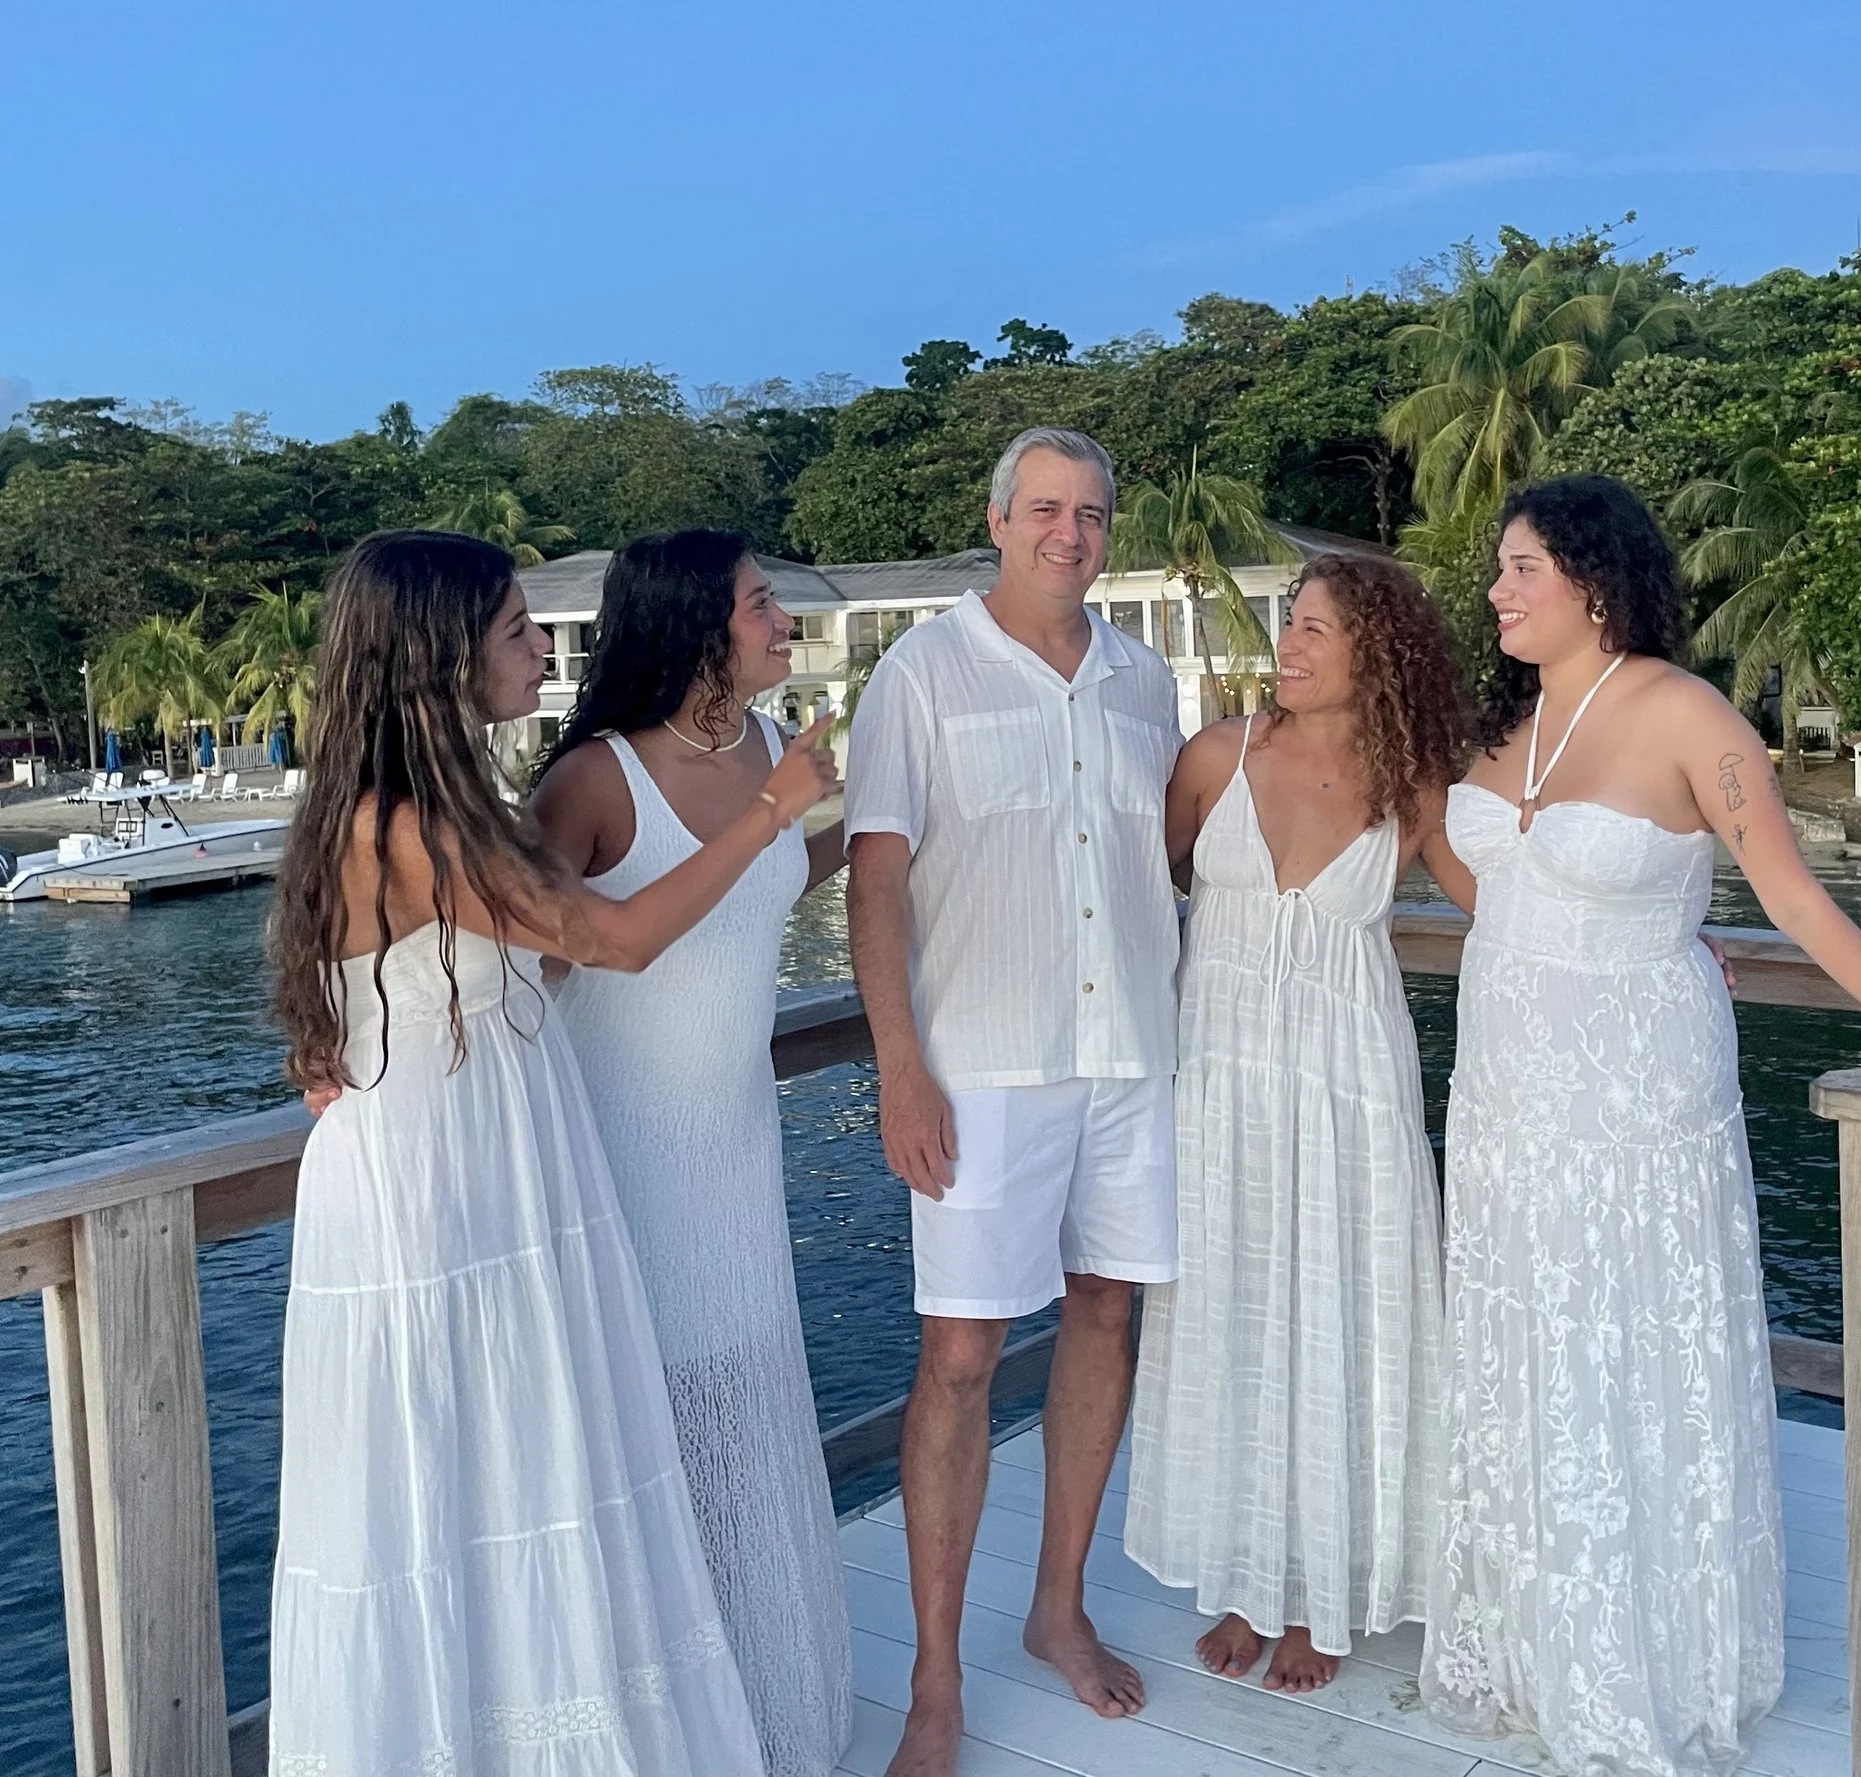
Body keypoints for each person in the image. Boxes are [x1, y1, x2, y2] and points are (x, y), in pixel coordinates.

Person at [1419, 477, 1861, 1776]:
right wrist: (1635, 916)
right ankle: (1536, 1642)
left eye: (1520, 568)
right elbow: (1488, 879)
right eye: (1499, 570)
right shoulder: (1505, 724)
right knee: (1528, 1353)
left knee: (1631, 1352)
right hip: (1507, 1091)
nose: (1496, 591)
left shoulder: (1689, 716)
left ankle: (1645, 1663)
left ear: (1595, 581)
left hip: (1639, 1095)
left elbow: (1796, 899)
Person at [267, 528, 836, 1777]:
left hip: (489, 1153)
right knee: (454, 1481)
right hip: (439, 1182)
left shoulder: (439, 805)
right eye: (520, 628)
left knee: (523, 1467)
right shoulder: (410, 825)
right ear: (441, 656)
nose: (542, 648)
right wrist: (772, 809)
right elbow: (614, 940)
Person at [844, 428, 1181, 1777]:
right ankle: (935, 1678)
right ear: (997, 519)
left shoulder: (1144, 679)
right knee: (964, 1359)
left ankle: (1058, 1604)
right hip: (981, 1057)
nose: (1070, 532)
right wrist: (899, 1065)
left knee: (1107, 1308)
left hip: (1135, 1055)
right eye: (1046, 508)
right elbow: (876, 882)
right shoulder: (918, 675)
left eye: (1093, 512)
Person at [533, 530, 854, 1777]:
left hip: (735, 1148)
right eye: (763, 604)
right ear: (693, 624)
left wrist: (881, 843)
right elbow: (523, 956)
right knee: (648, 1427)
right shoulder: (595, 780)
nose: (783, 621)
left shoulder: (775, 753)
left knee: (738, 1401)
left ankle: (764, 1707)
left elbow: (764, 882)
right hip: (621, 1157)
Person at [1126, 554, 1470, 1692]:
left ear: (1376, 654)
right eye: (1293, 623)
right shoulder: (1215, 756)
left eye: (1318, 629)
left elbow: (1508, 898)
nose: (1292, 643)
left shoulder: (1410, 786)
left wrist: (1678, 934)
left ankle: (1325, 1593)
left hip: (1348, 1097)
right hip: (1218, 1087)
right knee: (1228, 1315)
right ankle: (1238, 1577)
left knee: (1343, 1319)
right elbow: (1145, 884)